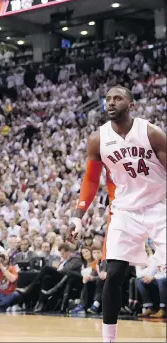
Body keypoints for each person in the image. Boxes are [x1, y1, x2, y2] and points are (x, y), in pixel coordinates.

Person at [69, 86, 166, 342]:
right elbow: (91, 179)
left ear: (131, 105)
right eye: (108, 99)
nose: (111, 103)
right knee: (113, 274)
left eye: (118, 98)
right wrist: (78, 214)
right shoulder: (98, 139)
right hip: (124, 209)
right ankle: (108, 339)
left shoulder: (151, 133)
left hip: (159, 205)